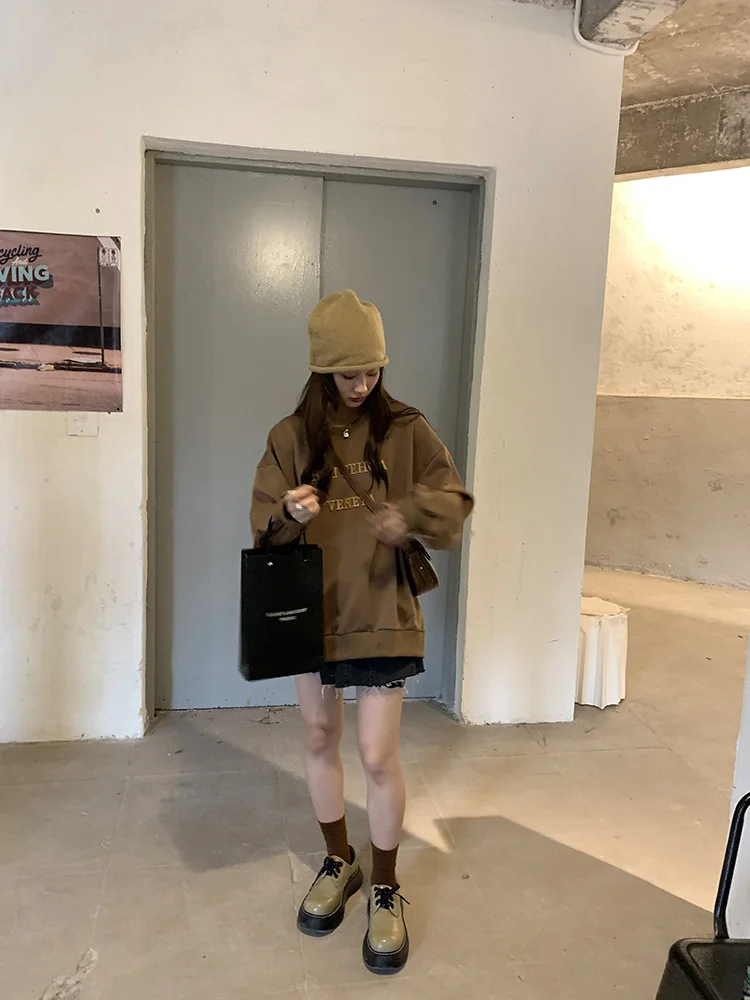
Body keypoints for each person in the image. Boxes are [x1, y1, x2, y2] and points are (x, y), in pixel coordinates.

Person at [251, 289, 473, 975]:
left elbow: (454, 498)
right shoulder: (290, 436)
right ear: (323, 369)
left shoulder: (406, 428)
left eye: (373, 370)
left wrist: (412, 514)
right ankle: (337, 860)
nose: (363, 385)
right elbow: (263, 525)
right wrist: (290, 512)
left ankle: (384, 885)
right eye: (350, 373)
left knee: (378, 756)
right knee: (319, 736)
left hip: (382, 611)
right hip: (312, 613)